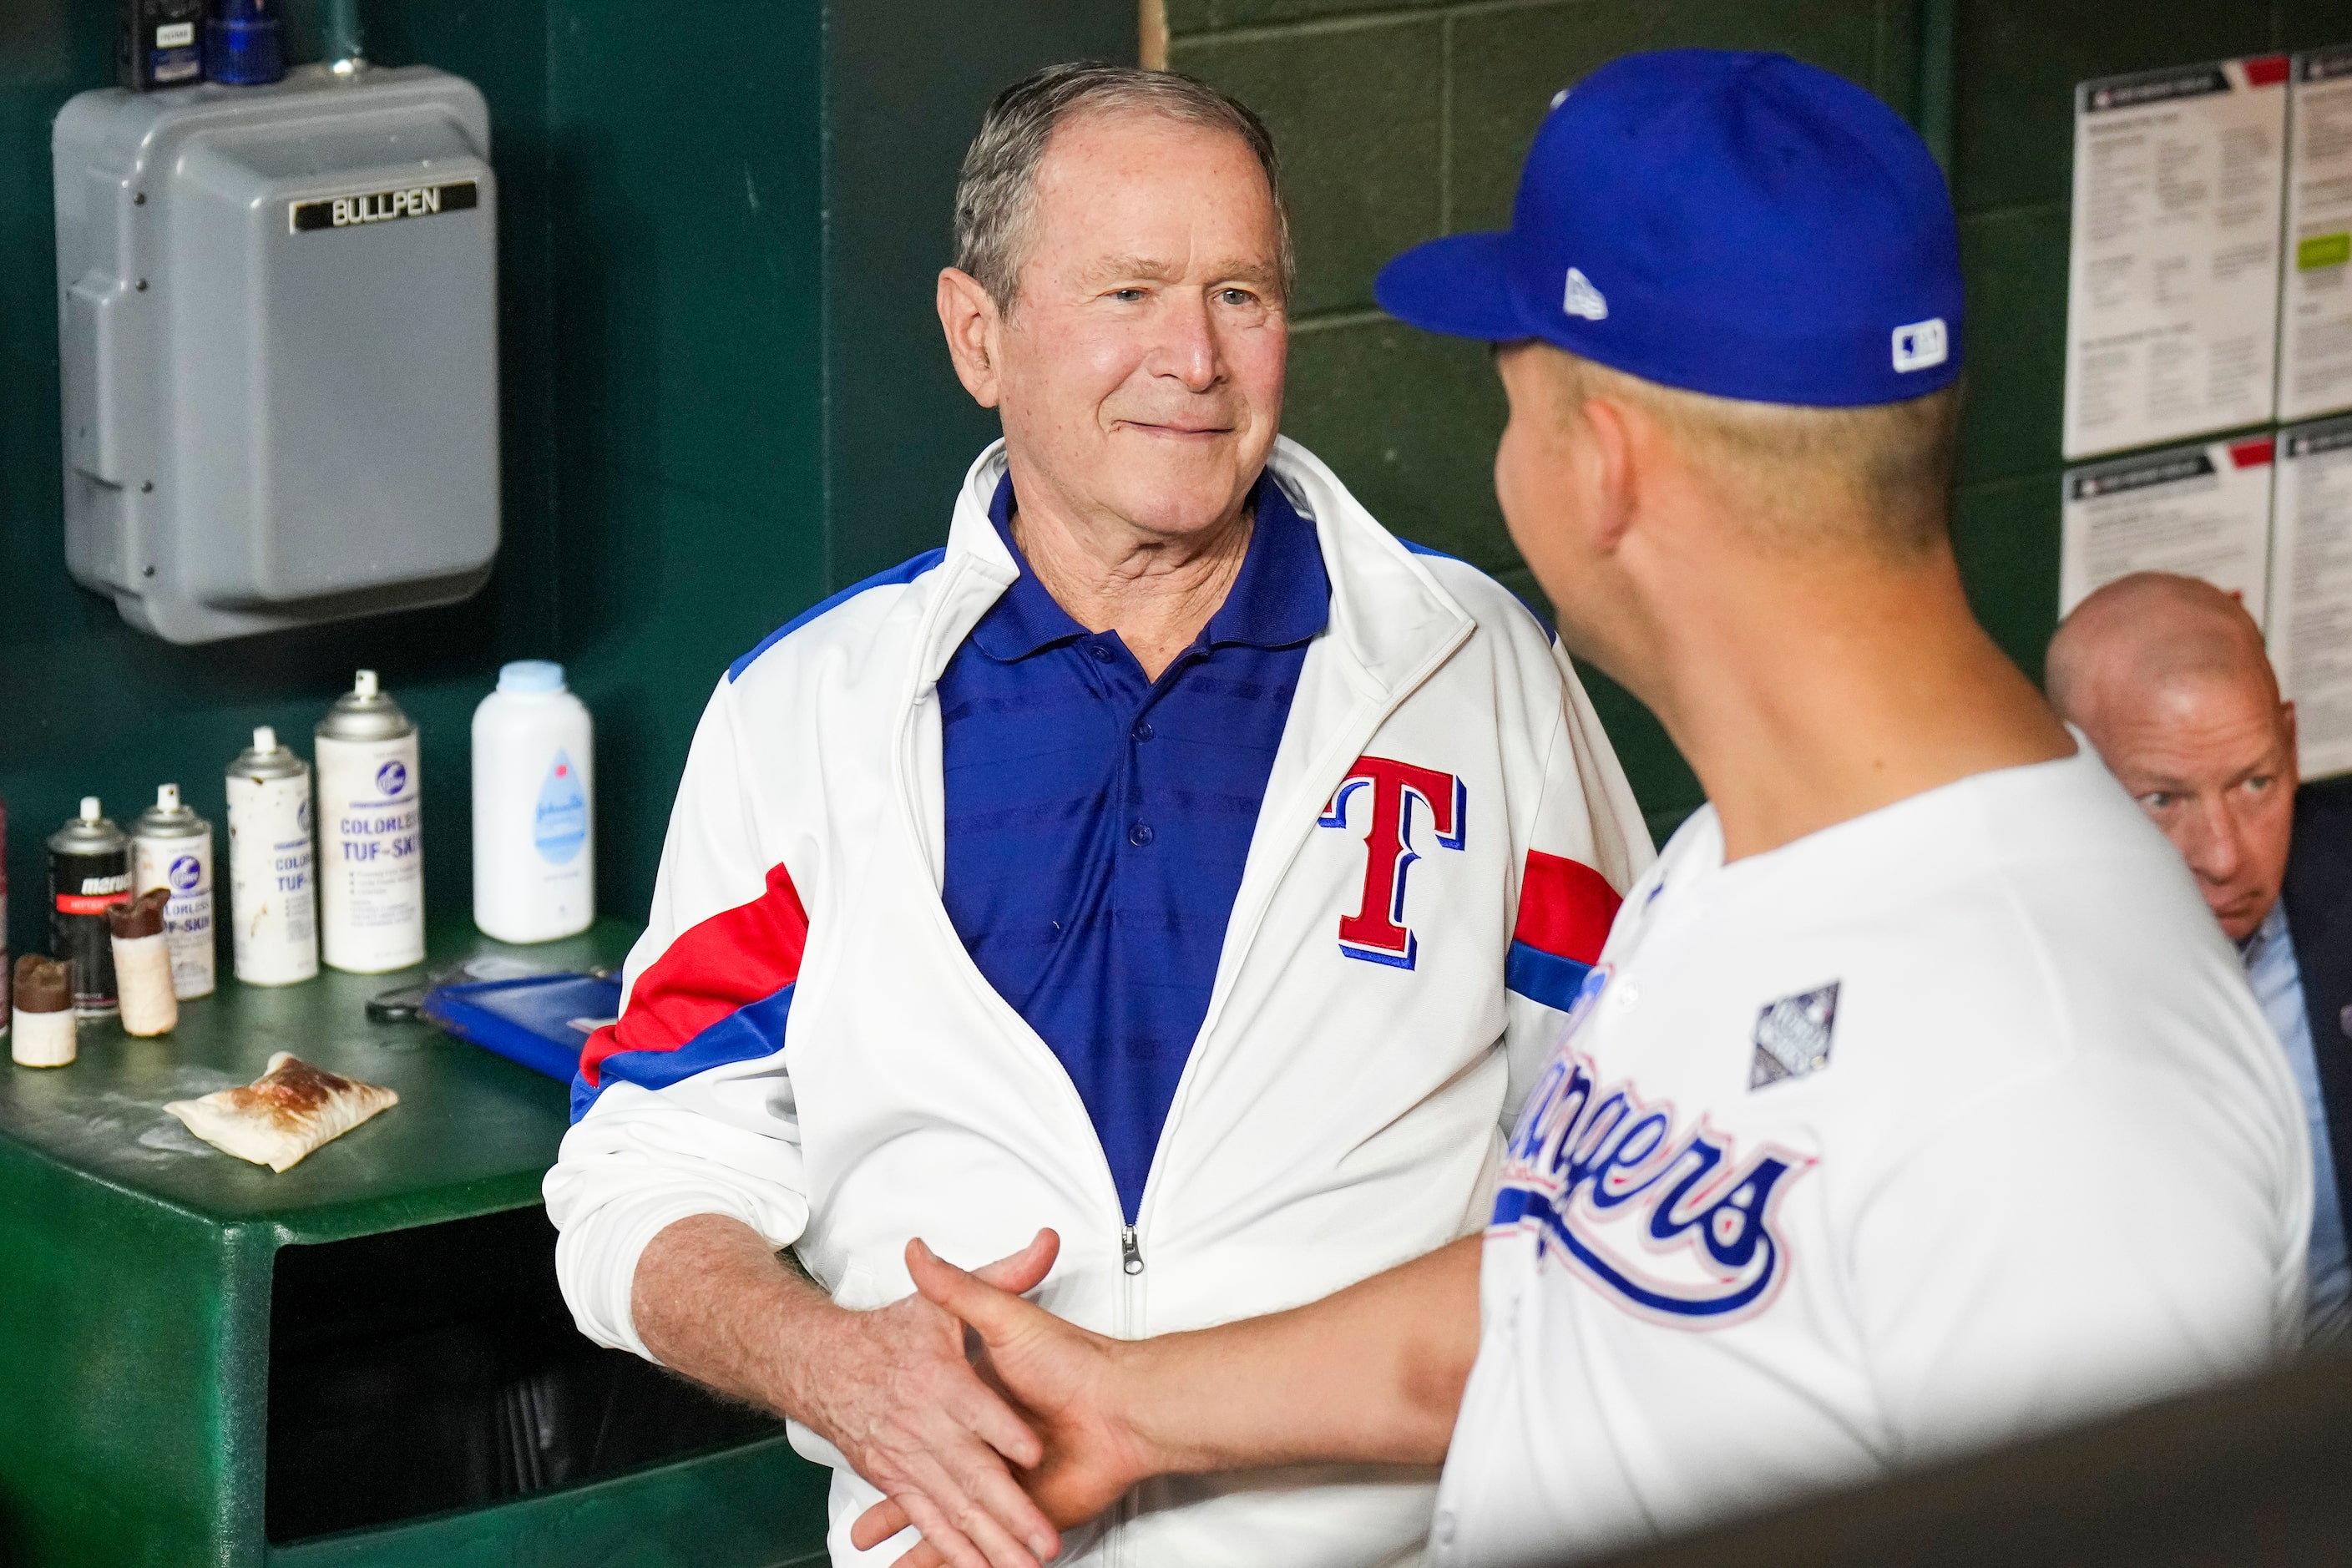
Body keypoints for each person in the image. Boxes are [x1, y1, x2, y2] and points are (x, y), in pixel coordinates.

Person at [852, 49, 2314, 1568]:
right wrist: (1137, 1401)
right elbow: (1572, 1289)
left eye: (1511, 400)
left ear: (1600, 465)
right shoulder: (1731, 864)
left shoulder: (2057, 1070)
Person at [542, 62, 1651, 1568]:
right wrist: (832, 1361)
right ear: (975, 334)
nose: (1192, 357)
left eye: (1240, 295)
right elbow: (642, 1165)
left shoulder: (1470, 672)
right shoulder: (809, 714)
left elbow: (1630, 1142)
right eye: (1127, 291)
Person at [2050, 571, 2352, 1344]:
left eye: (2256, 783)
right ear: (2069, 778)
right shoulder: (2014, 967)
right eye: (2164, 800)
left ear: (2291, 741)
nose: (2223, 856)